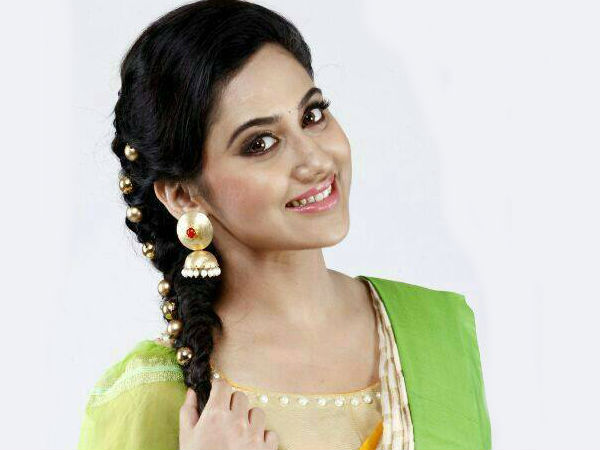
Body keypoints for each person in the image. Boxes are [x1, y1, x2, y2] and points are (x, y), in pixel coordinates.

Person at [77, 1, 492, 449]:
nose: (316, 160)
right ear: (184, 195)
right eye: (260, 143)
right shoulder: (153, 395)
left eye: (312, 116)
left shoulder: (437, 333)